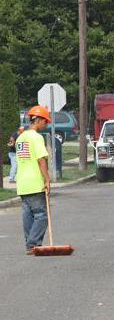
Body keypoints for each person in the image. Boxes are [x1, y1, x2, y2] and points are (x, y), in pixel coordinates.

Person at [15, 107, 51, 254]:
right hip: (35, 182)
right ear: (39, 120)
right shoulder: (36, 138)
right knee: (41, 215)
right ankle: (33, 243)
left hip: (23, 182)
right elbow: (41, 160)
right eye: (46, 122)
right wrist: (47, 180)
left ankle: (30, 246)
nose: (46, 125)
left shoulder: (20, 137)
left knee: (28, 214)